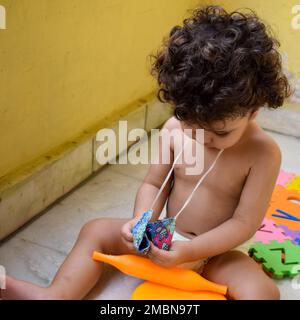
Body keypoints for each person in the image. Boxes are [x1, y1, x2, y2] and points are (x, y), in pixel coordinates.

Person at [1, 4, 291, 300]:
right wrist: (142, 223)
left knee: (263, 294)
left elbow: (243, 223)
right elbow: (155, 184)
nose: (205, 140)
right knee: (96, 230)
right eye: (193, 126)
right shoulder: (174, 130)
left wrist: (193, 250)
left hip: (213, 254)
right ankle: (56, 295)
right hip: (161, 240)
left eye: (220, 132)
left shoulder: (263, 154)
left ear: (254, 111)